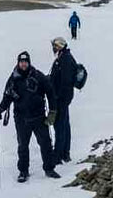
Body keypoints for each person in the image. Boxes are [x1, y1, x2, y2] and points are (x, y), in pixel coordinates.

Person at [0, 51, 61, 183]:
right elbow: (7, 97)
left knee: (45, 143)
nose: (23, 64)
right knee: (23, 146)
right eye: (21, 62)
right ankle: (23, 171)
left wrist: (52, 112)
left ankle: (49, 168)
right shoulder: (13, 78)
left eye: (25, 62)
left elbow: (50, 92)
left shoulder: (38, 75)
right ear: (18, 63)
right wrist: (0, 109)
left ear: (29, 63)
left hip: (39, 117)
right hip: (21, 119)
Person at [49, 36, 77, 164]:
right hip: (63, 98)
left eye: (55, 46)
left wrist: (57, 96)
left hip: (62, 99)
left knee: (60, 126)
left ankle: (59, 155)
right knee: (64, 124)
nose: (53, 48)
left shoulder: (65, 59)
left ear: (60, 46)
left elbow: (65, 81)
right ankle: (65, 153)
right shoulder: (63, 57)